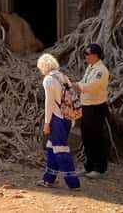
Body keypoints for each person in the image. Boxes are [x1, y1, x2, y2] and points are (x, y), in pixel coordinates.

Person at [36, 53, 81, 190]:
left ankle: (73, 183)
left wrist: (46, 123)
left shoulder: (48, 80)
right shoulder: (63, 77)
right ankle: (48, 179)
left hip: (57, 119)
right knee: (52, 147)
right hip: (67, 118)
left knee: (60, 149)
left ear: (44, 67)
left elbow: (49, 103)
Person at [73, 43, 110, 178]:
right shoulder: (90, 67)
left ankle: (100, 168)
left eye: (87, 54)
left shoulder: (101, 70)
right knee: (87, 137)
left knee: (96, 137)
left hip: (96, 107)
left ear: (95, 55)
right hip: (87, 105)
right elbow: (84, 81)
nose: (85, 57)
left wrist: (77, 86)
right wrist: (77, 85)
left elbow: (91, 86)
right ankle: (89, 166)